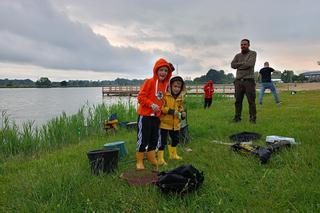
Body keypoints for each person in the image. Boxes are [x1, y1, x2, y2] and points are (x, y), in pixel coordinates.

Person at [136, 58, 174, 170]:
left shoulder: (164, 85)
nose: (163, 73)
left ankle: (152, 158)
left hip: (156, 118)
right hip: (145, 116)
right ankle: (139, 162)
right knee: (143, 139)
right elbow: (140, 97)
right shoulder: (149, 82)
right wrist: (151, 105)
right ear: (156, 71)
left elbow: (162, 100)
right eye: (161, 70)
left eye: (166, 71)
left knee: (154, 139)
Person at [157, 76, 186, 165]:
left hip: (175, 123)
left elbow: (180, 108)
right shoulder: (165, 95)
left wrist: (183, 113)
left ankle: (173, 155)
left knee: (176, 139)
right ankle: (160, 159)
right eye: (175, 86)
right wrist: (171, 111)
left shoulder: (180, 98)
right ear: (170, 86)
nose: (177, 89)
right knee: (162, 142)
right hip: (164, 123)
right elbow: (161, 107)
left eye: (179, 87)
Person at [231, 39, 257, 123]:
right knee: (238, 101)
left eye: (245, 44)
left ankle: (252, 118)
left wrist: (238, 65)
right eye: (241, 44)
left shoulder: (253, 53)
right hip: (238, 81)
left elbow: (250, 64)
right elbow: (232, 65)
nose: (243, 46)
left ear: (249, 45)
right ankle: (237, 118)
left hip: (249, 81)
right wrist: (243, 63)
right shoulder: (237, 55)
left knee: (251, 101)